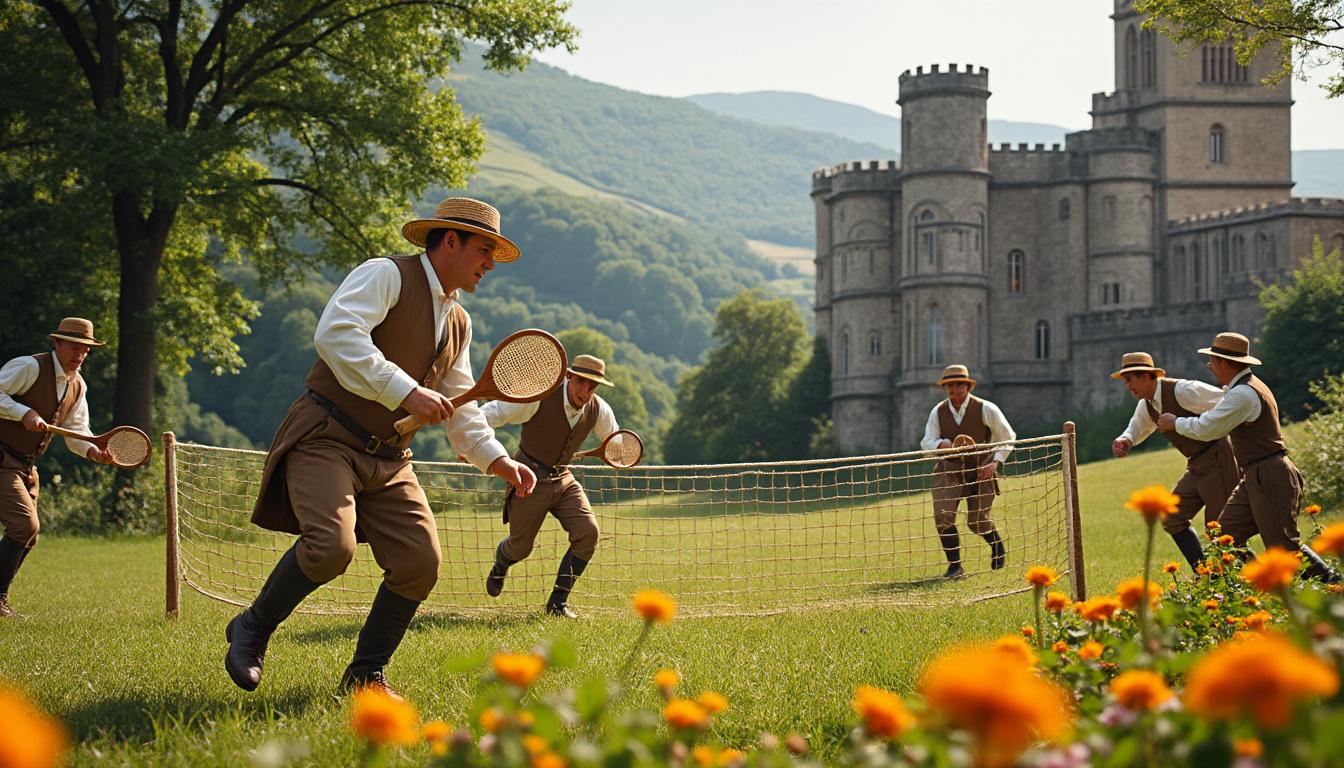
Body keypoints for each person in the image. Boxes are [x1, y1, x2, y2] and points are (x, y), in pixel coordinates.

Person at [224, 198, 537, 696]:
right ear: (449, 240)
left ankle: (364, 676)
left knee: (420, 564)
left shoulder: (459, 321)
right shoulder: (385, 275)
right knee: (331, 548)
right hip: (327, 436)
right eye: (484, 249)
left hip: (390, 459)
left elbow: (462, 408)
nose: (490, 264)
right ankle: (252, 627)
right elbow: (337, 334)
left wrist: (498, 460)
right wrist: (407, 391)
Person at [1157, 332, 1339, 582]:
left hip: (1271, 475)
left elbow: (1209, 428)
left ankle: (1334, 585)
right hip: (1255, 475)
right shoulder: (1243, 389)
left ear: (1226, 363)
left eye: (1213, 360)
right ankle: (1249, 590)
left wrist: (1175, 422)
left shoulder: (1243, 394)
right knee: (1225, 538)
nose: (1209, 366)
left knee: (1284, 550)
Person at [479, 354, 619, 618]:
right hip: (526, 477)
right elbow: (491, 413)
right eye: (581, 382)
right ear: (568, 377)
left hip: (564, 479)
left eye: (593, 386)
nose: (586, 391)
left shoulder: (599, 409)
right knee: (521, 548)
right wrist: (472, 443)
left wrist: (618, 455)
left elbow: (617, 444)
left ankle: (557, 604)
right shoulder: (539, 398)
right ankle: (502, 561)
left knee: (588, 533)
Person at [0, 318, 113, 617]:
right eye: (74, 347)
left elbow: (78, 431)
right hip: (2, 459)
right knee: (25, 526)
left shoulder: (78, 385)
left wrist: (93, 452)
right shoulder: (30, 367)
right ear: (57, 344)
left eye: (86, 350)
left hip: (26, 466)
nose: (80, 355)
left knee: (29, 535)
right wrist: (22, 411)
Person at [1110, 352, 1238, 568]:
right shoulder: (1147, 404)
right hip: (1196, 465)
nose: (1128, 386)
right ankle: (1206, 576)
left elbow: (1228, 402)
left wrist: (1187, 423)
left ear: (1146, 376)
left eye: (1130, 379)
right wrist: (1126, 440)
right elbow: (1137, 425)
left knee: (1220, 532)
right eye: (1125, 381)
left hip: (1219, 458)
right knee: (1172, 518)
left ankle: (1250, 581)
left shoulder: (1183, 390)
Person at [919, 364, 1015, 579]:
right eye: (950, 385)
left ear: (968, 386)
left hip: (982, 470)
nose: (955, 388)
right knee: (943, 517)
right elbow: (926, 442)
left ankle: (997, 545)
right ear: (945, 388)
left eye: (960, 384)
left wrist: (995, 463)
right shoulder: (938, 411)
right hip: (949, 470)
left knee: (977, 522)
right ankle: (955, 567)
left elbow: (1008, 436)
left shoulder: (986, 408)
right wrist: (941, 444)